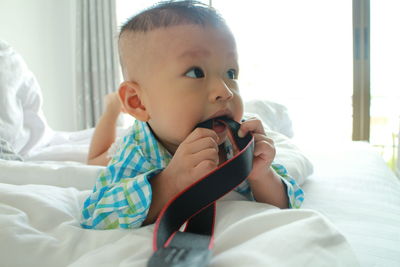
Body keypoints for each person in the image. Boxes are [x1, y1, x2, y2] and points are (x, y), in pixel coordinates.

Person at [81, 0, 305, 230]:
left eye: (231, 72)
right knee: (97, 159)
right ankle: (111, 108)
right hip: (141, 139)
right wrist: (170, 181)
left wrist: (262, 175)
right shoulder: (137, 149)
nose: (225, 91)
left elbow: (290, 202)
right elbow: (97, 216)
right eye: (195, 72)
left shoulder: (237, 141)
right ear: (138, 102)